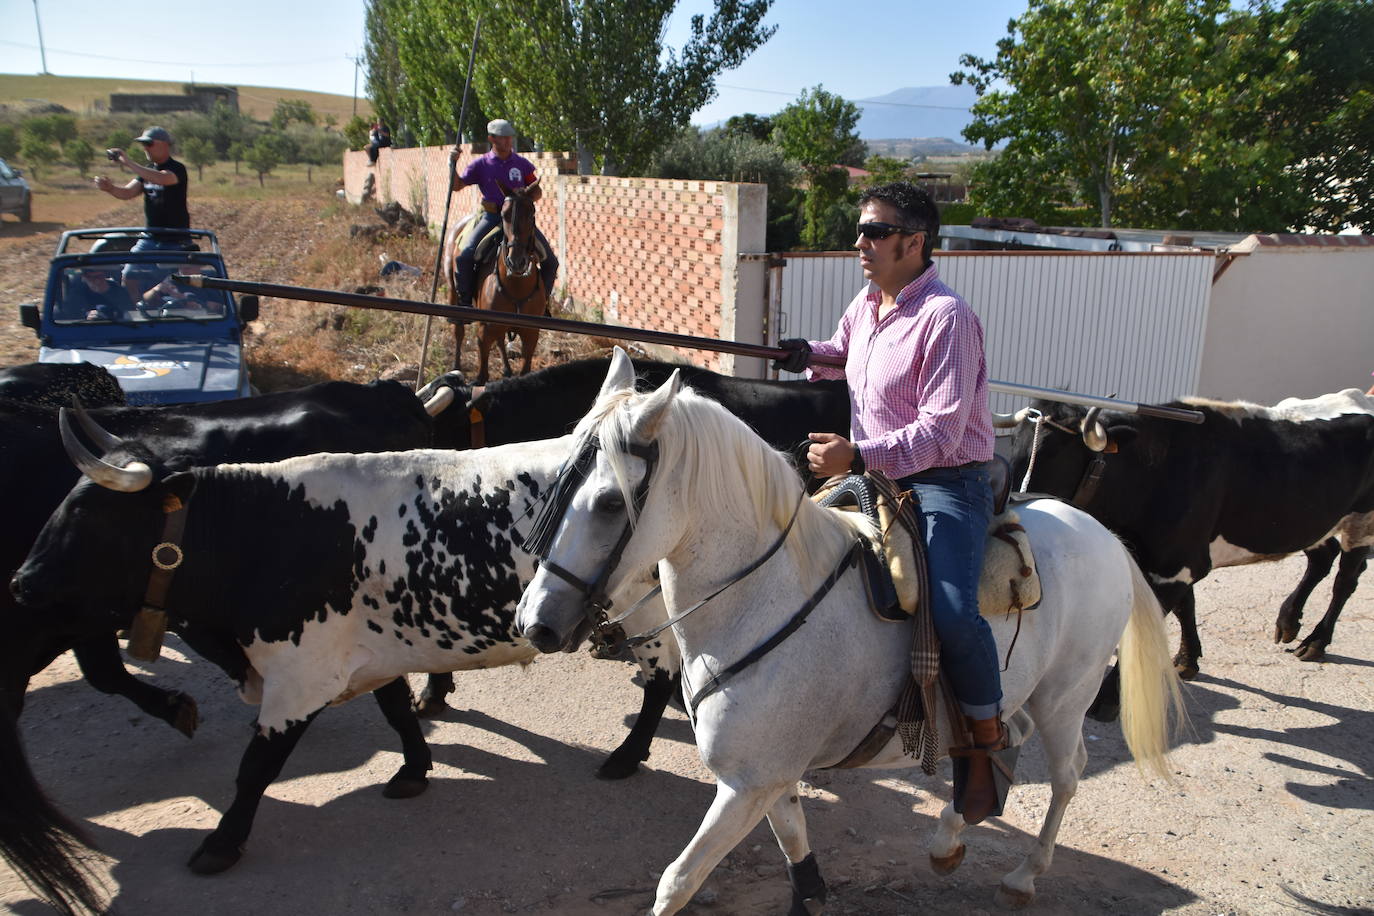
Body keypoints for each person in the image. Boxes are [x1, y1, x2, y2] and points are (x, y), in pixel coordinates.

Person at [772, 182, 1008, 825]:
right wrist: (803, 355)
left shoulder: (948, 318)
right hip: (877, 470)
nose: (860, 243)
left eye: (874, 232)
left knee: (955, 611)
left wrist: (859, 458)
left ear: (913, 241)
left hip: (944, 482)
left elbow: (943, 431)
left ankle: (985, 738)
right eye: (861, 231)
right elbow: (844, 353)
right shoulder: (869, 303)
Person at [446, 118, 558, 310]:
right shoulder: (481, 164)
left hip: (518, 221)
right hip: (491, 217)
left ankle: (543, 304)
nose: (508, 142)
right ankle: (465, 303)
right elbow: (457, 186)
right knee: (465, 256)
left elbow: (537, 193)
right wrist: (452, 164)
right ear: (492, 139)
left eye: (510, 138)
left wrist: (529, 193)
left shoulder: (521, 164)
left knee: (551, 261)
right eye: (503, 138)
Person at [92, 126, 191, 300]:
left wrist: (128, 162)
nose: (145, 148)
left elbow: (162, 178)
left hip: (176, 238)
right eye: (144, 144)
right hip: (151, 237)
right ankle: (137, 310)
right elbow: (127, 193)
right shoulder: (147, 171)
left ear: (165, 145)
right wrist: (110, 188)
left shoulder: (177, 169)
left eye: (149, 144)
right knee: (129, 275)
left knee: (181, 280)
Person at [59, 267, 135, 321]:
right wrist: (86, 316)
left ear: (104, 275)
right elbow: (69, 314)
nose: (96, 281)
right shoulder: (78, 291)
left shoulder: (118, 291)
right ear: (84, 277)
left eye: (99, 276)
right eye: (90, 277)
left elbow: (129, 313)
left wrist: (111, 315)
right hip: (86, 331)